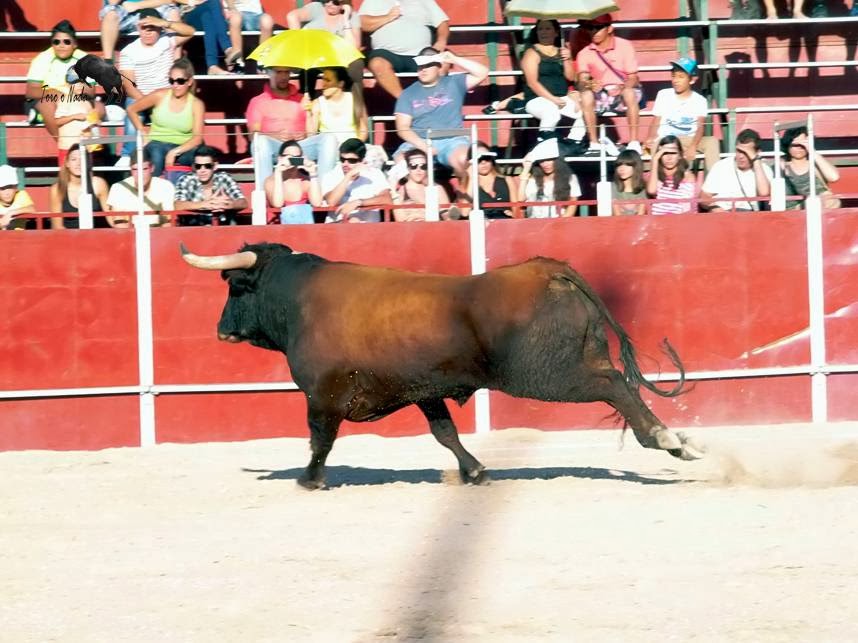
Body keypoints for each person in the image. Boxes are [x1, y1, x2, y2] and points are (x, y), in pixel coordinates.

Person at [393, 48, 488, 180]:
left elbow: (483, 72)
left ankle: (466, 193)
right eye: (420, 66)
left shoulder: (454, 82)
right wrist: (424, 146)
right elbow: (402, 128)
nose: (423, 70)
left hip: (453, 140)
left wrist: (454, 59)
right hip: (420, 140)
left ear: (438, 66)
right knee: (402, 162)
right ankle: (420, 193)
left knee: (465, 161)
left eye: (428, 65)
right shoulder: (407, 93)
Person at [116, 8, 195, 166]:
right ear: (138, 28)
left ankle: (179, 153)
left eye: (152, 27)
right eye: (144, 27)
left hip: (167, 96)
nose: (148, 32)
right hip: (141, 97)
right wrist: (148, 102)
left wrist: (165, 23)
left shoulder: (166, 41)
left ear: (159, 28)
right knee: (133, 108)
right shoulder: (128, 52)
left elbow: (190, 32)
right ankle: (128, 155)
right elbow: (129, 86)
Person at [246, 66, 338, 182]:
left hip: (300, 152)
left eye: (286, 72)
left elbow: (311, 135)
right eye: (279, 72)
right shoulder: (258, 101)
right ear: (269, 74)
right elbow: (253, 136)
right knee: (260, 142)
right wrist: (275, 136)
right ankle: (265, 190)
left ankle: (325, 189)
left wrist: (309, 113)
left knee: (329, 138)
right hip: (276, 152)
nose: (283, 76)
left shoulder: (302, 99)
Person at [575, 13, 643, 155]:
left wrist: (623, 87)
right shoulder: (584, 53)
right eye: (590, 28)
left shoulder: (625, 45)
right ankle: (594, 143)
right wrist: (589, 84)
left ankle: (634, 142)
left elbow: (633, 78)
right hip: (600, 95)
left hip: (624, 91)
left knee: (629, 92)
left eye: (598, 27)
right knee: (586, 95)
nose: (594, 31)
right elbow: (581, 82)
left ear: (609, 28)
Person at [127, 58, 205, 177]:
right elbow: (131, 109)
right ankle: (153, 186)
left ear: (189, 81)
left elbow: (197, 138)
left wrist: (175, 152)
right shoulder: (160, 95)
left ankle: (182, 186)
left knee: (191, 158)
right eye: (171, 81)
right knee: (156, 155)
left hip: (182, 146)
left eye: (180, 81)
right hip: (157, 142)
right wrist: (142, 132)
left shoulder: (196, 104)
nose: (175, 85)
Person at [359, 0, 450, 98]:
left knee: (442, 63)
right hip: (387, 53)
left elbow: (442, 23)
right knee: (377, 64)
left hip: (422, 53)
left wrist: (441, 41)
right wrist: (388, 17)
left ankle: (432, 101)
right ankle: (404, 101)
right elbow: (363, 23)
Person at [646, 57, 720, 173]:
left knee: (712, 142)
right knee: (655, 144)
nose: (676, 80)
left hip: (689, 139)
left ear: (692, 80)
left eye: (681, 77)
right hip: (666, 138)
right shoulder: (663, 95)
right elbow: (656, 121)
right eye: (674, 76)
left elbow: (700, 127)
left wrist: (693, 146)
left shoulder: (700, 100)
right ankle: (657, 179)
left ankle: (714, 179)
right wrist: (651, 137)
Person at [286, 0, 363, 97]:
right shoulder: (317, 8)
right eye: (326, 0)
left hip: (338, 58)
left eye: (335, 2)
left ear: (344, 3)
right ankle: (307, 101)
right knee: (308, 68)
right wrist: (298, 44)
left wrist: (346, 19)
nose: (329, 4)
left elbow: (355, 49)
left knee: (356, 64)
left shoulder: (352, 17)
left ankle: (353, 102)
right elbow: (292, 16)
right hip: (315, 56)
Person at [521, 19, 581, 142]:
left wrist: (567, 59)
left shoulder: (561, 51)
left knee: (582, 109)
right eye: (540, 29)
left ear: (556, 32)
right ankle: (544, 142)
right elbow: (532, 82)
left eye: (548, 29)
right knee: (551, 112)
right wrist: (553, 99)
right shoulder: (531, 53)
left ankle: (574, 142)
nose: (543, 32)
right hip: (537, 99)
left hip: (561, 97)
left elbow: (570, 77)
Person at [24, 21, 88, 132]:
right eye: (56, 42)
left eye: (67, 42)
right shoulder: (42, 59)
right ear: (52, 44)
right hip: (47, 99)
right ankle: (61, 141)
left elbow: (91, 91)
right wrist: (54, 93)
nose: (61, 46)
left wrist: (82, 89)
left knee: (98, 107)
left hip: (74, 98)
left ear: (75, 44)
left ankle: (89, 142)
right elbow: (31, 92)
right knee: (48, 105)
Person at [700, 128, 772, 212]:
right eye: (739, 151)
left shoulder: (763, 169)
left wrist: (756, 160)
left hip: (749, 214)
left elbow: (764, 193)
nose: (741, 156)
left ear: (757, 152)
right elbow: (704, 196)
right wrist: (715, 208)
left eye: (746, 152)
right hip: (723, 213)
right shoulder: (721, 166)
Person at [321, 138, 392, 222]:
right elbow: (331, 202)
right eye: (342, 159)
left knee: (354, 220)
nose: (345, 164)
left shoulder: (374, 174)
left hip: (368, 227)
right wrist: (348, 177)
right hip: (338, 226)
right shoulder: (331, 175)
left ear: (362, 160)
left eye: (352, 161)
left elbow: (387, 199)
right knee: (353, 221)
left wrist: (358, 203)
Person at [174, 145, 248, 225]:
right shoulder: (187, 180)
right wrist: (204, 204)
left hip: (222, 228)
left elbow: (243, 202)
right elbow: (177, 204)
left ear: (215, 166)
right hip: (193, 229)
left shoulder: (224, 178)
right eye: (198, 166)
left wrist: (228, 204)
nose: (202, 170)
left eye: (207, 166)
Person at [105, 148, 175, 227]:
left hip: (159, 232)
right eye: (135, 169)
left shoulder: (165, 187)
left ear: (152, 168)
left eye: (144, 169)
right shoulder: (118, 188)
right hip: (129, 232)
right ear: (130, 170)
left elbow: (168, 222)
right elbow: (120, 223)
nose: (140, 174)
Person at [98, 0, 181, 64]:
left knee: (173, 12)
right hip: (126, 12)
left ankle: (176, 63)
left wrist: (138, 5)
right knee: (110, 14)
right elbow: (112, 2)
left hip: (154, 8)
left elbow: (170, 0)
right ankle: (108, 62)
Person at [49, 144, 109, 229]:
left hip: (95, 235)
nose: (78, 163)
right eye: (74, 159)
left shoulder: (98, 184)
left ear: (88, 163)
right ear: (67, 163)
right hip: (67, 236)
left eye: (82, 159)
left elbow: (111, 218)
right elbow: (57, 226)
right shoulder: (57, 188)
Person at [517, 138, 581, 218]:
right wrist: (526, 169)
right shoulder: (533, 179)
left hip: (559, 222)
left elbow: (572, 204)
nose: (545, 164)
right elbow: (521, 199)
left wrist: (560, 221)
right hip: (535, 222)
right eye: (541, 161)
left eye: (549, 160)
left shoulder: (570, 178)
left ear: (557, 160)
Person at [780, 126, 841, 209]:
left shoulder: (816, 163)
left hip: (823, 206)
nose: (799, 148)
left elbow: (834, 177)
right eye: (795, 145)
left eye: (803, 144)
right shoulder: (782, 165)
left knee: (832, 201)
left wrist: (812, 150)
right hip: (797, 209)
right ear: (788, 145)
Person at [390, 149, 460, 221]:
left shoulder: (437, 189)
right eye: (413, 166)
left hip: (433, 226)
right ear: (408, 168)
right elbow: (400, 220)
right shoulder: (401, 192)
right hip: (411, 226)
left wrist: (450, 215)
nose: (418, 169)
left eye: (423, 166)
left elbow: (446, 216)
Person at [264, 140, 323, 224]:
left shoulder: (305, 180)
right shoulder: (270, 181)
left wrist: (312, 173)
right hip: (278, 227)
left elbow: (317, 203)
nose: (292, 160)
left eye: (296, 157)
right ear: (280, 158)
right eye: (288, 157)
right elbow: (277, 204)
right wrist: (278, 172)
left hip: (303, 225)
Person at [307, 67, 369, 144]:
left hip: (352, 146)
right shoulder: (318, 103)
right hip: (328, 147)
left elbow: (363, 132)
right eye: (323, 80)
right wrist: (308, 113)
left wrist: (354, 147)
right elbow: (311, 136)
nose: (323, 84)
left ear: (340, 84)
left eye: (328, 80)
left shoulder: (355, 100)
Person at [458, 144, 518, 219]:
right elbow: (465, 212)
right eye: (478, 159)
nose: (483, 162)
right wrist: (472, 179)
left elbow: (516, 210)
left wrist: (512, 214)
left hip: (505, 222)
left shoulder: (507, 180)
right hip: (481, 223)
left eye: (486, 158)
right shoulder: (466, 185)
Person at [183, 0, 243, 74]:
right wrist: (193, 2)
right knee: (214, 1)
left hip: (209, 13)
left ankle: (212, 66)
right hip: (190, 14)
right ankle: (227, 48)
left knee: (207, 16)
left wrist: (230, 9)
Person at [647, 135, 698, 215]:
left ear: (680, 155)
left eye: (673, 153)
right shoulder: (654, 175)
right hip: (658, 219)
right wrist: (655, 160)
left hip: (680, 219)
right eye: (665, 153)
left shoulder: (687, 177)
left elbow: (688, 207)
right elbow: (651, 191)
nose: (669, 158)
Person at [226, 0, 273, 69]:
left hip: (257, 15)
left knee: (267, 20)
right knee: (235, 18)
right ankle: (236, 52)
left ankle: (263, 55)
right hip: (240, 13)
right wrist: (232, 9)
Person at [611, 149, 647, 215]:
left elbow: (641, 216)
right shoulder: (611, 188)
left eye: (627, 165)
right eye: (619, 165)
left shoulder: (644, 189)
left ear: (636, 167)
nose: (622, 169)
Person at [0, 164, 35, 231]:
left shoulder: (21, 195)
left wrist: (10, 213)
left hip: (19, 236)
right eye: (2, 189)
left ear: (16, 187)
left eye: (10, 187)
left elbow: (32, 209)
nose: (7, 193)